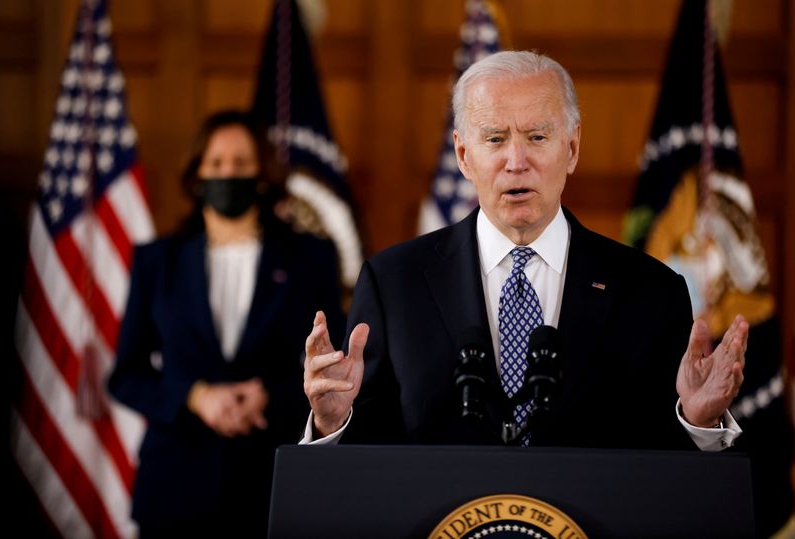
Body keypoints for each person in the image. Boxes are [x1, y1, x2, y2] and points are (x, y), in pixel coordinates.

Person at [302, 50, 747, 454]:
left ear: (571, 148)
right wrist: (334, 421)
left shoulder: (650, 290)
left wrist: (698, 422)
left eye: (536, 137)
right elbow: (368, 463)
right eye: (495, 139)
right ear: (462, 155)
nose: (517, 161)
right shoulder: (393, 284)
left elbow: (666, 475)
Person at [108, 109, 345, 537]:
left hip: (273, 482)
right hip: (174, 487)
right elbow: (127, 375)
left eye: (240, 164)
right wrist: (196, 398)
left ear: (261, 175)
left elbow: (331, 364)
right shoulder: (157, 261)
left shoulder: (311, 258)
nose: (227, 173)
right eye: (216, 164)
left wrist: (268, 397)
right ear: (197, 174)